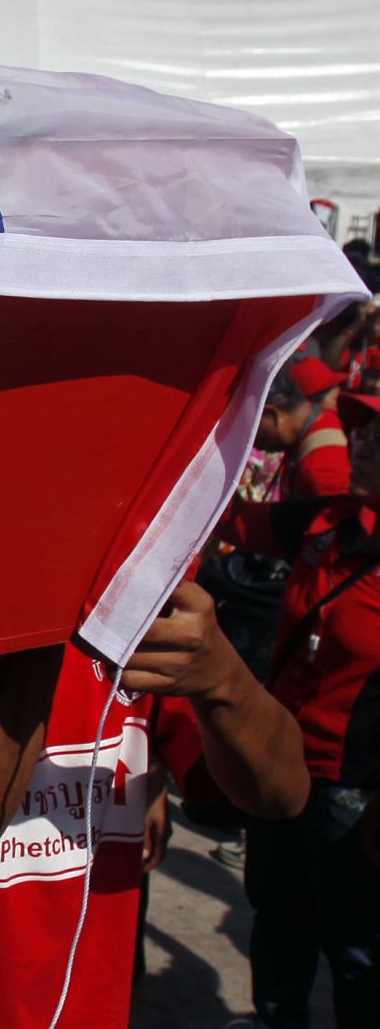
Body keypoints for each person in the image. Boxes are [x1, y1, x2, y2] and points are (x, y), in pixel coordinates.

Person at [0, 581, 309, 1029]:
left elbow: (283, 793)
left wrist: (223, 679)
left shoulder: (132, 612)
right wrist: (47, 630)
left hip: (87, 1006)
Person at [215, 386, 380, 1028]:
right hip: (284, 767)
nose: (359, 447)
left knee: (357, 950)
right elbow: (234, 522)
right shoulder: (326, 521)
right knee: (279, 912)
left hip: (355, 791)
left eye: (377, 440)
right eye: (361, 433)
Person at [256, 363, 351, 502]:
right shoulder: (317, 421)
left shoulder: (320, 469)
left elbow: (337, 515)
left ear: (272, 415)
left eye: (253, 429)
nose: (254, 443)